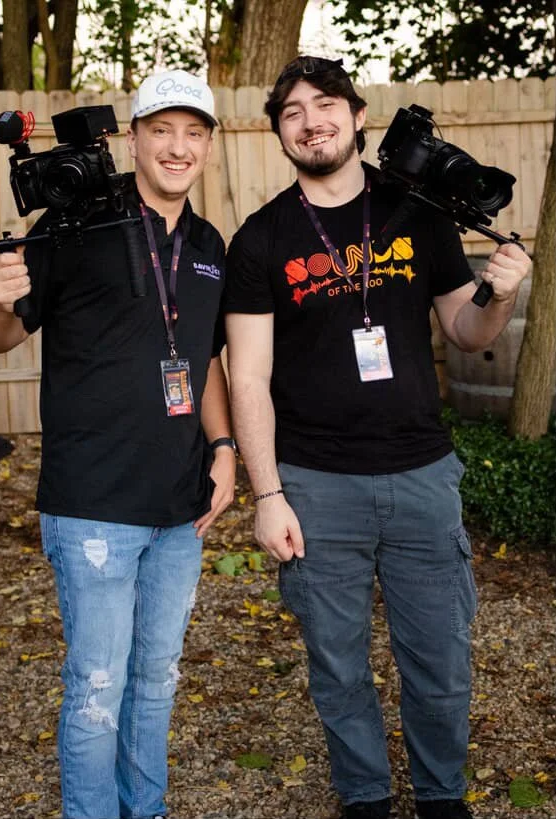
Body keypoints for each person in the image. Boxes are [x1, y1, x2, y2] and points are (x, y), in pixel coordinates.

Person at [224, 56, 531, 819]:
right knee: (336, 661)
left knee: (440, 658)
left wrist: (499, 290)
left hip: (421, 475)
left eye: (325, 104)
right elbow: (246, 378)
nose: (310, 120)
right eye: (291, 112)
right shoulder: (261, 239)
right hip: (315, 482)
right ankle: (363, 796)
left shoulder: (418, 213)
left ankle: (440, 796)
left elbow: (466, 331)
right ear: (279, 134)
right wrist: (267, 495)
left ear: (358, 117)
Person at [0, 68, 236, 819]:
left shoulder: (210, 243)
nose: (177, 147)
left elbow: (205, 360)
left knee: (156, 676)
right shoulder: (71, 222)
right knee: (97, 683)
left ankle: (145, 808)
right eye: (162, 130)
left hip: (180, 506)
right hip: (92, 505)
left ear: (209, 148)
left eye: (193, 133)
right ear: (134, 138)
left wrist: (223, 449)